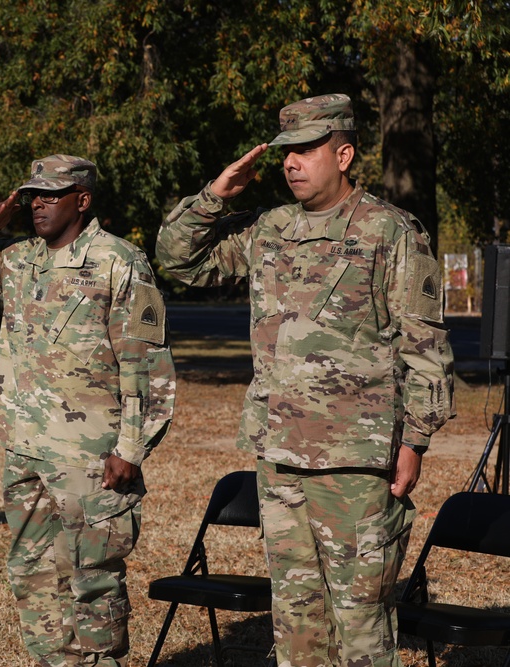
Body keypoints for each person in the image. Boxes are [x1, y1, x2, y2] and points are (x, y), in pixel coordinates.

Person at [156, 94, 454, 666]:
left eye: (306, 150)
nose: (291, 162)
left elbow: (426, 346)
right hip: (279, 453)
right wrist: (215, 195)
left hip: (355, 461)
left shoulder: (388, 231)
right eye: (286, 152)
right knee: (295, 622)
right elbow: (180, 260)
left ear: (343, 155)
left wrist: (415, 441)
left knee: (362, 625)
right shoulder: (271, 229)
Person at [0, 155, 176, 667]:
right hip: (25, 447)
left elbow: (146, 363)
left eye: (52, 194)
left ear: (83, 200)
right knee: (33, 575)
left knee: (92, 578)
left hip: (91, 457)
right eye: (32, 195)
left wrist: (131, 449)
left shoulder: (120, 261)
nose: (38, 204)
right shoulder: (18, 259)